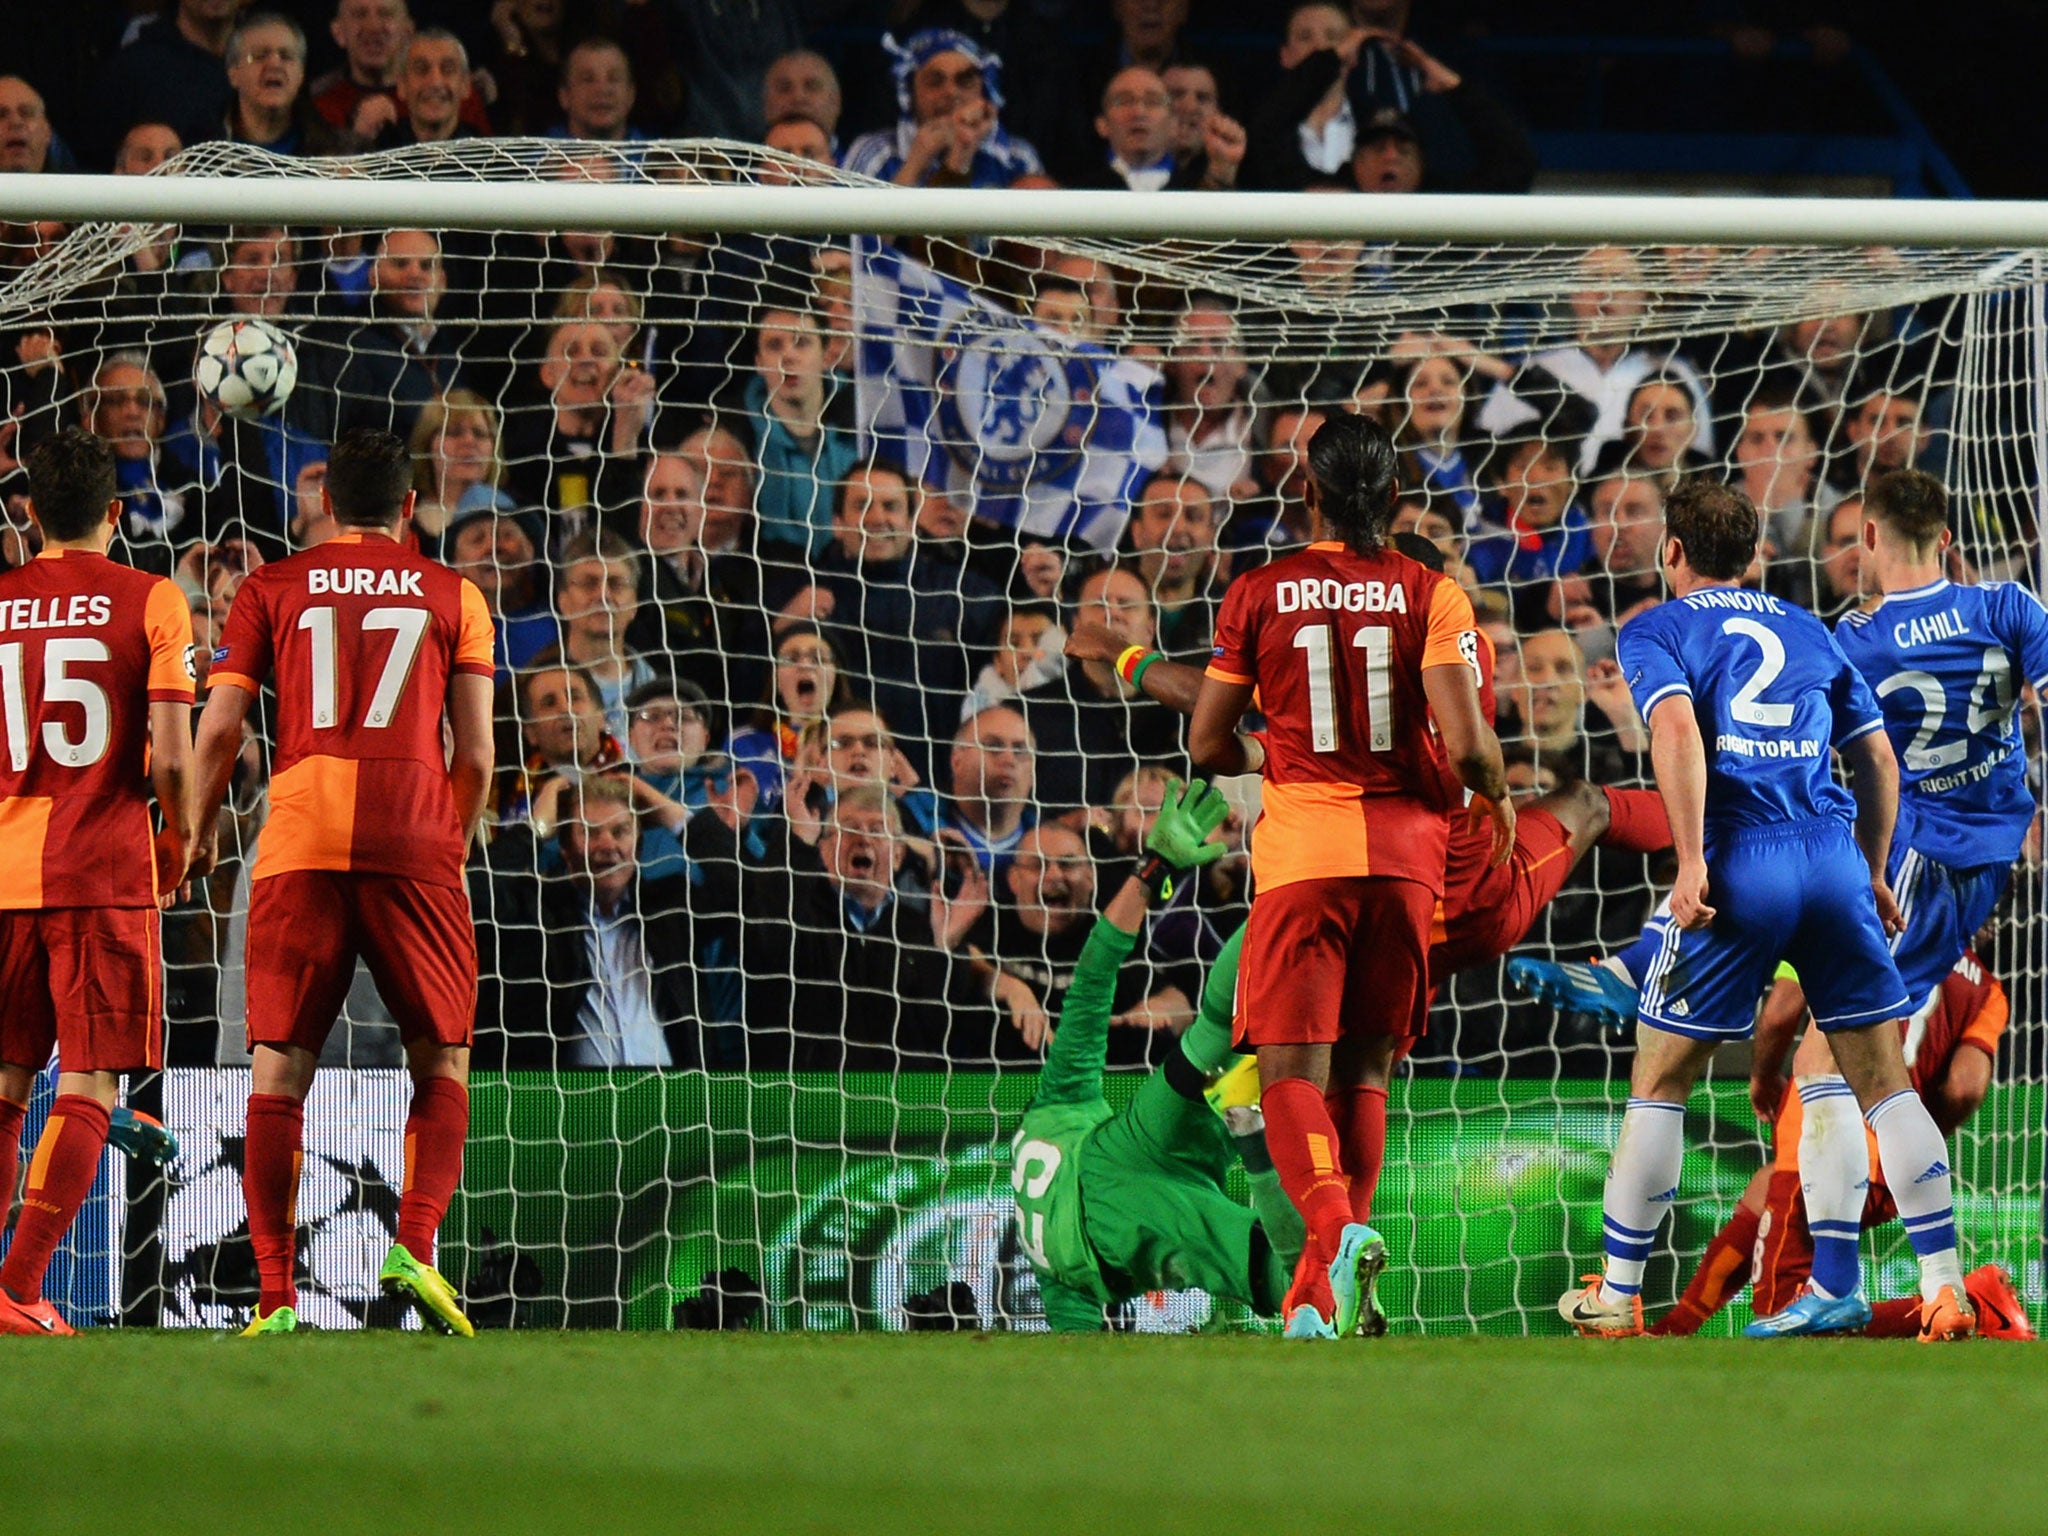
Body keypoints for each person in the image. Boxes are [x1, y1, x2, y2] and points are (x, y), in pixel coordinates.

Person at [1552, 479, 1970, 1343]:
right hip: (1831, 858)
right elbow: (1879, 762)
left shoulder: (1658, 628)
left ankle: (1619, 1294)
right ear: (1752, 556)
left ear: (1673, 553)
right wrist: (1875, 872)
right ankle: (1945, 1288)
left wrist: (1695, 860)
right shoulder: (1813, 629)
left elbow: (1674, 735)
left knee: (1662, 1075)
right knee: (1880, 1081)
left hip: (1743, 859)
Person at [1190, 412, 1512, 1340]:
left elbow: (1208, 742)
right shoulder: (1434, 594)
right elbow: (1468, 746)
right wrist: (1494, 798)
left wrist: (1275, 747)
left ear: (1310, 492)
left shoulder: (1258, 592)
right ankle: (1314, 1298)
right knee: (1366, 1068)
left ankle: (1333, 1226)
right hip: (1407, 866)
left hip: (1306, 860)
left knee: (1289, 1069)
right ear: (1398, 499)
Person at [189, 429, 496, 1337]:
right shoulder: (455, 594)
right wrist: (456, 841)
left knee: (279, 1068)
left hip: (299, 837)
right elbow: (475, 753)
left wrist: (196, 833)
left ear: (327, 506)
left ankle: (277, 1298)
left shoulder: (271, 585)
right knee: (440, 1057)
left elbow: (219, 733)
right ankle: (415, 1244)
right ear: (408, 507)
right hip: (414, 836)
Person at [0, 431, 198, 1336]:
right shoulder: (151, 598)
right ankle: (18, 1288)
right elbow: (170, 744)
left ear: (30, 512)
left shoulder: (0, 601)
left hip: (5, 867)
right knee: (89, 1082)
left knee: (5, 1084)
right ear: (117, 515)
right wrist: (181, 837)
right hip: (100, 867)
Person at [1011, 778, 1310, 1331]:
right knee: (1216, 1029)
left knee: (1280, 1276)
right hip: (1124, 1144)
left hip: (1111, 1231)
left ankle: (1262, 1160)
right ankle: (1305, 884)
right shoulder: (1056, 1100)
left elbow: (1076, 1347)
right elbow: (1094, 977)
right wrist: (1154, 869)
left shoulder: (1050, 1266)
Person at [1653, 947, 2031, 1341]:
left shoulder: (1839, 920)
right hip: (1893, 1160)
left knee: (1788, 1314)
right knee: (1763, 1191)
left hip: (1829, 1132)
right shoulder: (1987, 990)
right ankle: (1673, 1330)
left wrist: (1763, 1075)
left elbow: (1781, 1011)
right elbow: (1966, 1087)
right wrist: (1912, 1139)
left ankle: (1977, 1305)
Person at [842, 29, 1043, 190]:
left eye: (965, 81)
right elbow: (858, 239)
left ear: (985, 92)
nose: (951, 92)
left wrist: (963, 149)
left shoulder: (1017, 158)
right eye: (935, 82)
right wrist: (914, 165)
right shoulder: (874, 152)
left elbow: (1047, 239)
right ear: (910, 94)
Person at [371, 29, 480, 150]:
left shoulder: (486, 157)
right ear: (402, 85)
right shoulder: (377, 154)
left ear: (466, 85)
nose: (435, 82)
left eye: (447, 70)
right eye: (421, 70)